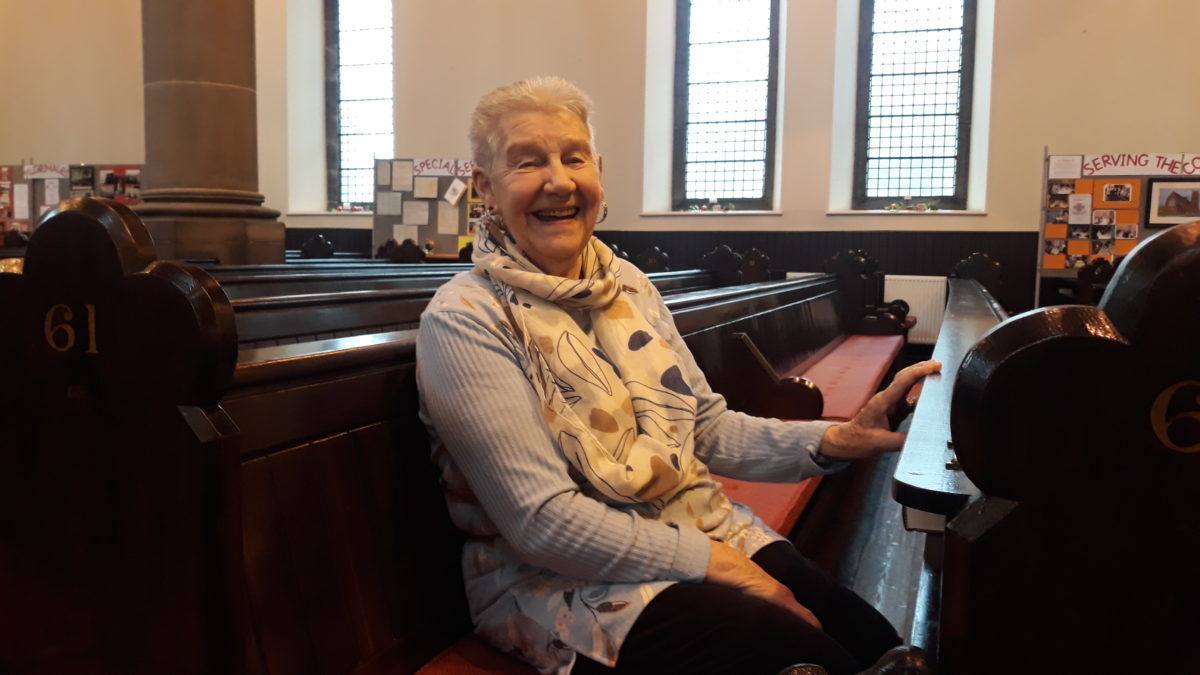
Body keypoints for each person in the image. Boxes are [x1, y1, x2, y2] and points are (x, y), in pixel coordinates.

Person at [416, 76, 941, 675]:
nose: (558, 180)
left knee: (872, 639)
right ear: (484, 186)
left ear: (598, 170)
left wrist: (834, 439)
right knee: (801, 654)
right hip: (554, 585)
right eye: (527, 162)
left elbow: (706, 429)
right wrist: (722, 564)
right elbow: (541, 523)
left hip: (691, 524)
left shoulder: (629, 287)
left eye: (574, 157)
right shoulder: (466, 320)